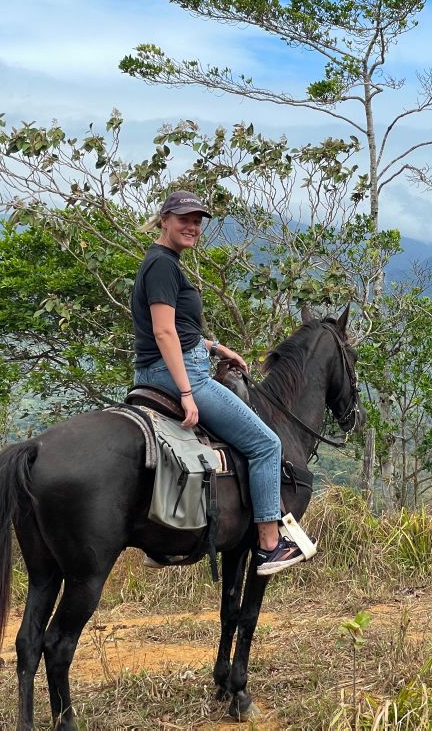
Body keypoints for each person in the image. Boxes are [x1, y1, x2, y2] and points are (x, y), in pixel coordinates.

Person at [131, 189, 308, 576]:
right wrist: (187, 391)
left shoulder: (160, 261)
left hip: (157, 369)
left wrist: (214, 347)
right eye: (184, 220)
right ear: (164, 220)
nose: (192, 227)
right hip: (177, 371)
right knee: (266, 443)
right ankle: (268, 544)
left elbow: (181, 327)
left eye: (197, 221)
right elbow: (164, 333)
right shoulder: (163, 265)